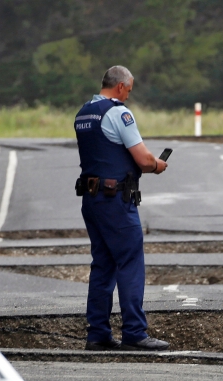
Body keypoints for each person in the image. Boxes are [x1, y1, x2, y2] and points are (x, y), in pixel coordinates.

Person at [75, 66, 169, 351]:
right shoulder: (118, 113)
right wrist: (157, 165)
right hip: (115, 200)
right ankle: (134, 332)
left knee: (102, 265)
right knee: (129, 263)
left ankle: (98, 333)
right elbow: (142, 159)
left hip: (91, 199)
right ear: (120, 87)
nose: (128, 95)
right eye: (129, 90)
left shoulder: (83, 113)